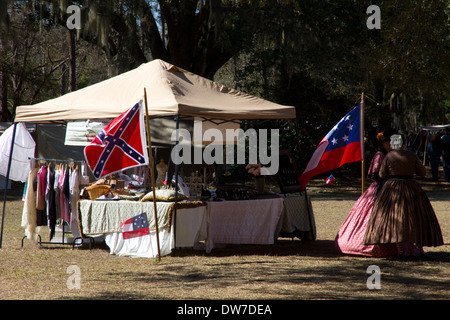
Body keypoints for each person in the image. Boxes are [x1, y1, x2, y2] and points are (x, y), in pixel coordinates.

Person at [364, 133, 444, 257]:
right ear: (404, 143)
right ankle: (419, 249)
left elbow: (381, 175)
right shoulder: (412, 155)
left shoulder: (389, 156)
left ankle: (401, 251)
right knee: (417, 218)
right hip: (411, 187)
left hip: (392, 188)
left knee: (395, 220)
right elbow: (422, 172)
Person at [335, 129, 398, 257]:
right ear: (383, 142)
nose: (391, 144)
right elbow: (376, 174)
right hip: (380, 189)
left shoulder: (391, 155)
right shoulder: (379, 155)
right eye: (388, 142)